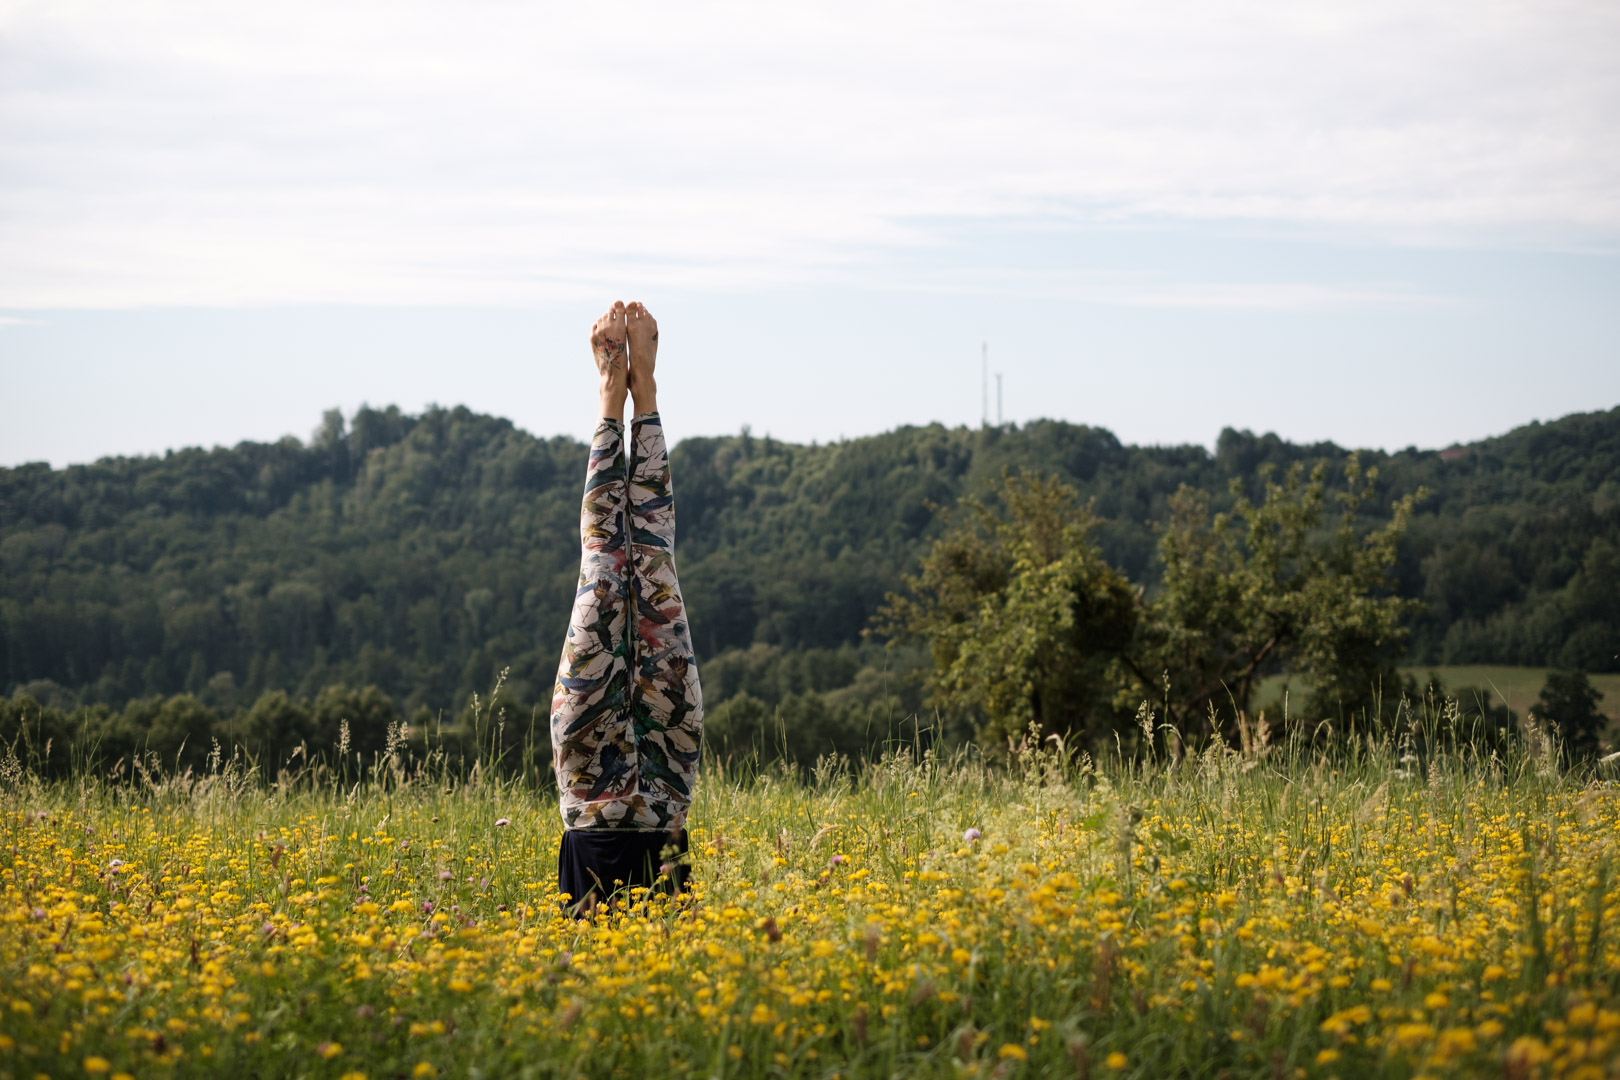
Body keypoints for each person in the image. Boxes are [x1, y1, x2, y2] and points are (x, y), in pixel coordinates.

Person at [550, 300, 704, 912]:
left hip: (590, 786)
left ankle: (613, 392)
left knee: (604, 566)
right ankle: (648, 396)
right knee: (653, 559)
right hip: (666, 787)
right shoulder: (663, 985)